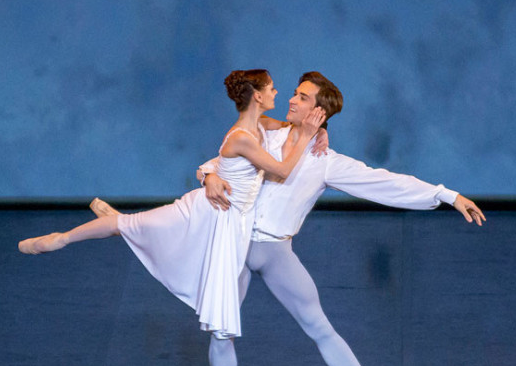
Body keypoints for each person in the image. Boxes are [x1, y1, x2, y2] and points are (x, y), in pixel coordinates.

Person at [92, 71, 485, 366]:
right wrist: (208, 174)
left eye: (302, 97)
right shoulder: (266, 133)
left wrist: (447, 195)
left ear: (318, 112)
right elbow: (223, 158)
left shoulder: (326, 162)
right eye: (294, 93)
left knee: (320, 327)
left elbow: (386, 183)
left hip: (276, 251)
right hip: (233, 243)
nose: (292, 100)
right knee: (221, 329)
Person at [19, 69, 325, 342]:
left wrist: (318, 132)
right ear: (257, 96)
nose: (277, 93)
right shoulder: (241, 138)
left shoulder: (262, 124)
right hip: (205, 211)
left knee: (160, 241)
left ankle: (124, 227)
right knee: (129, 225)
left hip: (229, 220)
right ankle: (61, 238)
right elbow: (282, 171)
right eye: (271, 88)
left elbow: (291, 126)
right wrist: (307, 136)